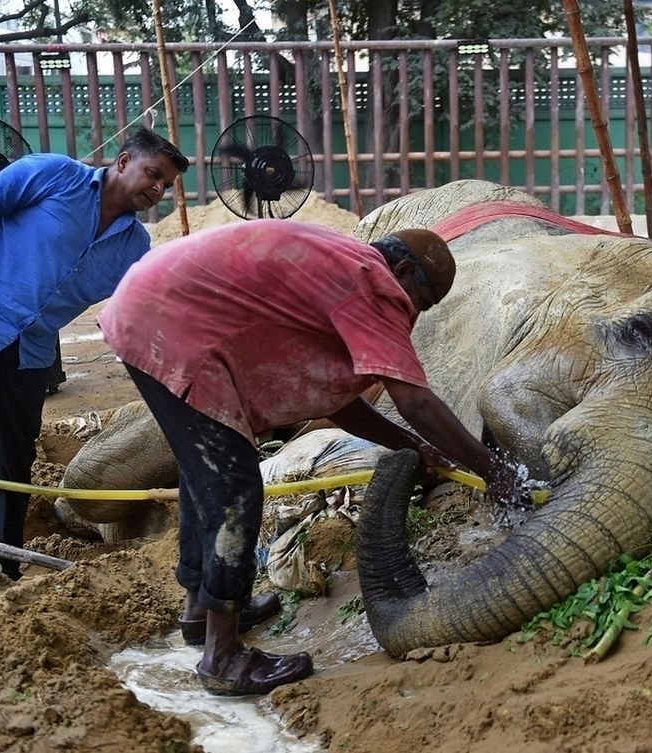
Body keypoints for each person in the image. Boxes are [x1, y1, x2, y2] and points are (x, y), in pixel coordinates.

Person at [97, 220, 530, 696]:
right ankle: (222, 658)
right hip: (173, 324)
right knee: (234, 487)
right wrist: (494, 472)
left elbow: (338, 403)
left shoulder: (340, 268)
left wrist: (412, 447)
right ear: (403, 270)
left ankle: (202, 613)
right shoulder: (373, 282)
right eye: (421, 304)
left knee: (206, 474)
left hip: (148, 305)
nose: (414, 317)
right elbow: (417, 402)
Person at [0, 127, 189, 612]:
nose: (156, 189)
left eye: (165, 184)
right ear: (123, 160)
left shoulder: (133, 246)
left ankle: (4, 558)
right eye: (153, 174)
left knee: (15, 446)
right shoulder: (51, 174)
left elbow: (145, 311)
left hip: (28, 347)